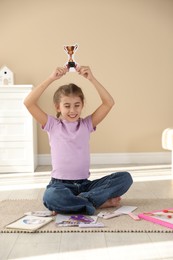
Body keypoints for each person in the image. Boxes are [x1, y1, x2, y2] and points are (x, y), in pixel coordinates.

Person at [24, 66, 133, 215]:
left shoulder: (87, 124)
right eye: (67, 106)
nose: (72, 110)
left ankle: (79, 202)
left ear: (82, 105)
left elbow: (109, 103)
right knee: (51, 197)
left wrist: (91, 79)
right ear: (58, 106)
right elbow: (28, 103)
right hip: (60, 186)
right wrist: (51, 78)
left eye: (77, 105)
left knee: (125, 178)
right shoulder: (52, 125)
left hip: (85, 185)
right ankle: (95, 202)